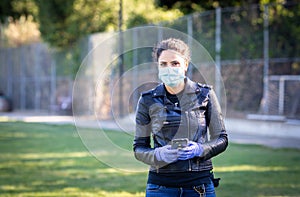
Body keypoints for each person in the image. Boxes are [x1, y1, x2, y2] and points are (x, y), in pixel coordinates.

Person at [133, 38, 228, 197]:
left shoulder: (205, 95)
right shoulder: (147, 100)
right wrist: (158, 155)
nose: (169, 68)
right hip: (160, 187)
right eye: (163, 64)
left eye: (175, 63)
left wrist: (199, 149)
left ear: (185, 65)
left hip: (199, 186)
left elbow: (222, 139)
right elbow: (139, 148)